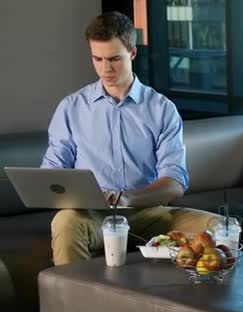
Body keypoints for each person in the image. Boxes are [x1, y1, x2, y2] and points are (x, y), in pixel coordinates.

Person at [42, 12, 220, 265]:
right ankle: (76, 301)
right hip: (90, 216)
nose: (106, 68)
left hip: (149, 214)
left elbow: (175, 182)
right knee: (65, 221)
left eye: (114, 58)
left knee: (220, 227)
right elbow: (51, 174)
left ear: (133, 54)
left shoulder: (161, 109)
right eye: (98, 58)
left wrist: (126, 198)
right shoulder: (71, 108)